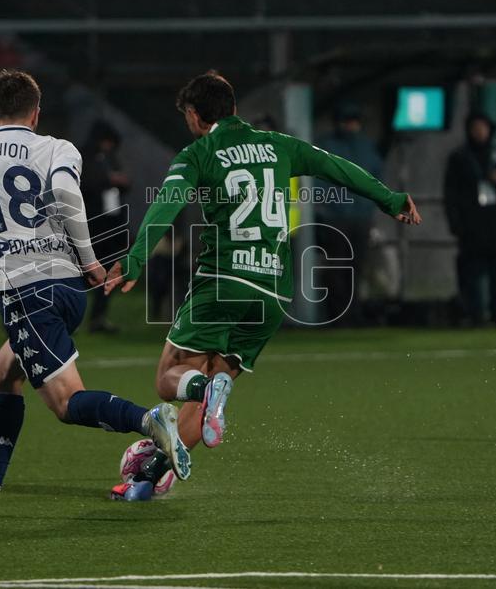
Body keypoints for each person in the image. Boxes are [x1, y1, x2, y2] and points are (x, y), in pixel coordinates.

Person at [103, 72, 421, 499]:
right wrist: (391, 199)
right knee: (206, 405)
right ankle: (149, 481)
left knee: (169, 381)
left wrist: (137, 257)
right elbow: (338, 168)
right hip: (272, 294)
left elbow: (167, 205)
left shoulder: (198, 153)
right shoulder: (281, 147)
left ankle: (202, 394)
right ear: (234, 109)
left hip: (223, 283)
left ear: (196, 116)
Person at [0, 69, 191, 518]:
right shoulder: (58, 147)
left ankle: (149, 420)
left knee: (67, 403)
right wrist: (89, 261)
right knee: (6, 370)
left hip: (26, 293)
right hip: (67, 287)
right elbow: (67, 195)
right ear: (36, 112)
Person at [443, 112, 496, 327]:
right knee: (471, 272)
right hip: (471, 223)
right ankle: (472, 314)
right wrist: (455, 222)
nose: (479, 132)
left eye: (483, 127)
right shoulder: (460, 157)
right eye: (475, 127)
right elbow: (451, 193)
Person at [314, 100, 383, 323]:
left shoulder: (365, 146)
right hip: (335, 217)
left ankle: (352, 312)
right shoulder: (328, 145)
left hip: (359, 217)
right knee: (337, 268)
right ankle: (338, 313)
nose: (350, 125)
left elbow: (376, 179)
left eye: (353, 121)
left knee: (355, 267)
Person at [79, 120, 130, 333]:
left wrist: (119, 181)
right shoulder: (83, 156)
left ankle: (98, 318)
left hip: (112, 225)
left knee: (109, 272)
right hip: (90, 226)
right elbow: (87, 183)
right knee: (82, 274)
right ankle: (71, 317)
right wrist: (108, 179)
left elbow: (122, 183)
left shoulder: (110, 158)